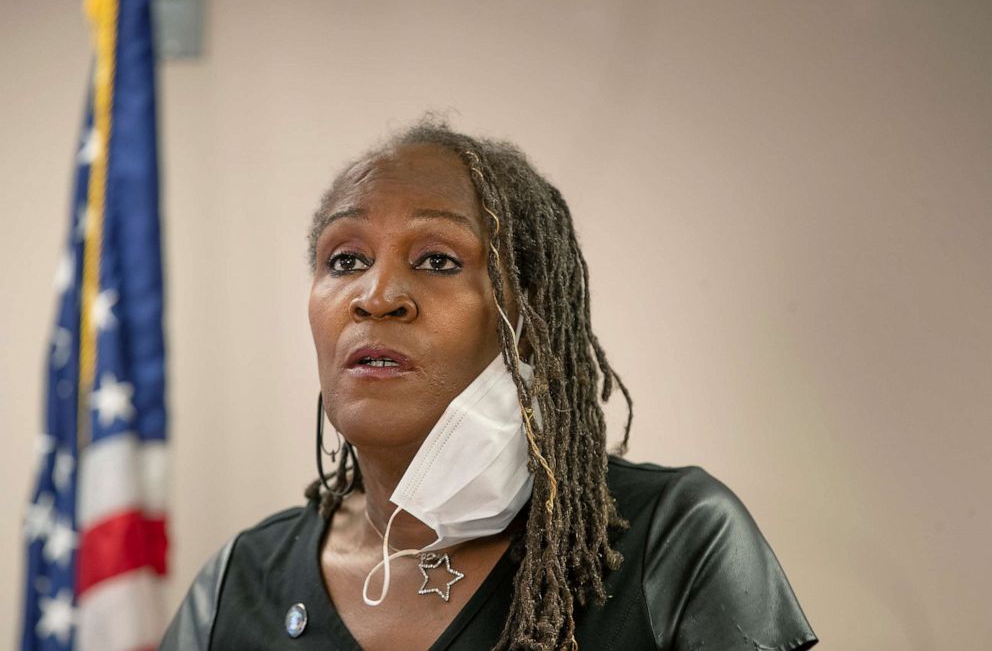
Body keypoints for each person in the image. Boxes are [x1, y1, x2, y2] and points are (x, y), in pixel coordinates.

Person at [161, 120, 818, 650]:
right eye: (346, 259)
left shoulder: (672, 539)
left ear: (525, 317)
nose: (377, 294)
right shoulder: (238, 581)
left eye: (437, 260)